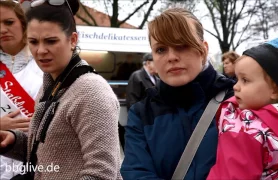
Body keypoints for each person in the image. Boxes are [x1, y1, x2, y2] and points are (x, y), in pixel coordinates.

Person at [0, 0, 122, 179]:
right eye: (33, 42)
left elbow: (102, 173)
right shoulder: (50, 86)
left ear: (73, 40)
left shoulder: (92, 92)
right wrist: (14, 141)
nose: (40, 50)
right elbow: (49, 151)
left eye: (51, 41)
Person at [121, 8, 235, 180]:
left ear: (203, 49)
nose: (172, 57)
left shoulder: (238, 101)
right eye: (161, 50)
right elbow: (136, 173)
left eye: (182, 46)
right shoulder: (141, 114)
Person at [207, 24, 278, 180]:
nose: (235, 86)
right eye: (238, 79)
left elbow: (231, 175)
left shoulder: (245, 129)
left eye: (245, 80)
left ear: (276, 91)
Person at [0, 1, 42, 179]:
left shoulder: (45, 63)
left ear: (23, 24)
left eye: (9, 22)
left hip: (37, 161)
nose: (2, 29)